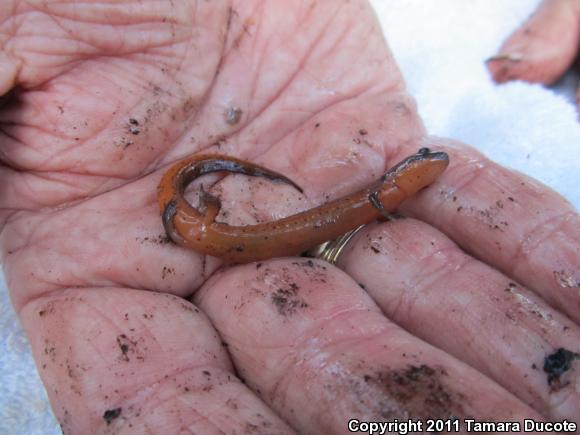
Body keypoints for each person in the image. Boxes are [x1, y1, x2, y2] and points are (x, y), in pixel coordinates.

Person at [0, 1, 578, 433]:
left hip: (217, 226)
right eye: (424, 163)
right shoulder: (380, 195)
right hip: (205, 230)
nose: (429, 160)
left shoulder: (382, 195)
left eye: (423, 165)